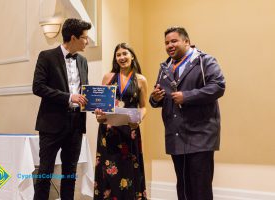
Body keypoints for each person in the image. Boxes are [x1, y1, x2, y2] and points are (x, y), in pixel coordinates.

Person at [149, 26, 225, 200]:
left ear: (187, 41)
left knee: (200, 188)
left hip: (200, 135)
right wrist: (155, 98)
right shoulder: (165, 67)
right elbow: (159, 98)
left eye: (174, 41)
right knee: (182, 187)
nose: (169, 45)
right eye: (166, 43)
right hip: (176, 135)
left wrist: (187, 96)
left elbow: (218, 86)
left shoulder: (205, 61)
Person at [32, 18, 91, 200]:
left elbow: (84, 90)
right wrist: (68, 97)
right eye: (84, 37)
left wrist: (96, 103)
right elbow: (38, 87)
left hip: (76, 123)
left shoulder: (82, 61)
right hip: (51, 123)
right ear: (73, 38)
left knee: (70, 174)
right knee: (45, 173)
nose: (87, 41)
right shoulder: (46, 56)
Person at [93, 43, 148, 200]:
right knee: (107, 172)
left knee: (129, 170)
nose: (122, 57)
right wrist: (99, 115)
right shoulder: (107, 77)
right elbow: (101, 105)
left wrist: (139, 120)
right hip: (108, 132)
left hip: (129, 130)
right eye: (118, 55)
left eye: (125, 53)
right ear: (115, 58)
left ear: (132, 56)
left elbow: (144, 107)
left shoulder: (140, 80)